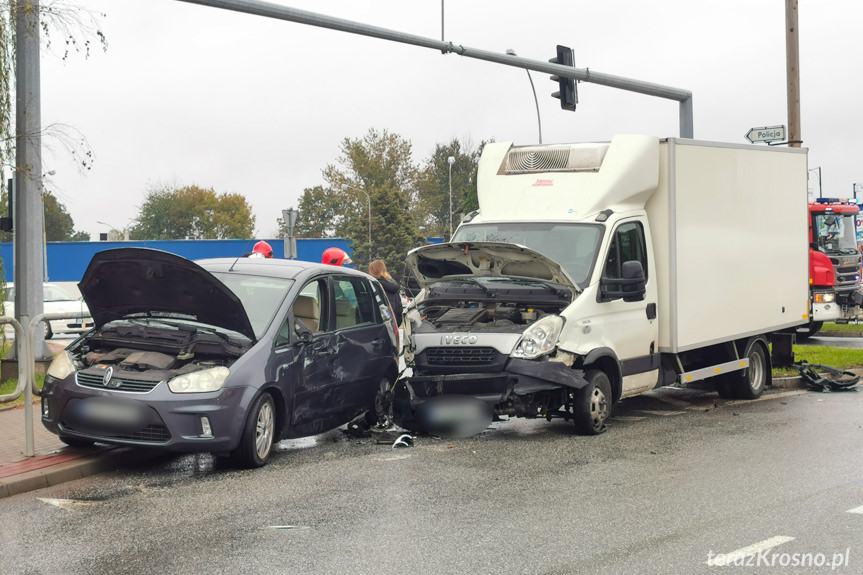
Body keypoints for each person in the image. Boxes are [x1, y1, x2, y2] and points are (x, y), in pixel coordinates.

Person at [368, 259, 403, 326]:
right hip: (394, 323)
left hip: (380, 324)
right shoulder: (393, 284)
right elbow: (399, 308)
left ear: (372, 271)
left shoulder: (373, 284)